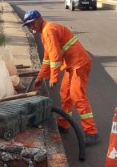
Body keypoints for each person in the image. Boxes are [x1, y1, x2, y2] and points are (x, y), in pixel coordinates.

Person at [23, 9, 100, 146]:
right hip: (72, 65)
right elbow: (47, 58)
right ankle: (63, 124)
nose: (31, 27)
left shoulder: (49, 30)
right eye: (29, 25)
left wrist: (54, 77)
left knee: (77, 96)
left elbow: (55, 57)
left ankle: (91, 132)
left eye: (32, 23)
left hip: (79, 64)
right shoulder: (45, 32)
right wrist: (40, 77)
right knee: (65, 94)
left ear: (39, 19)